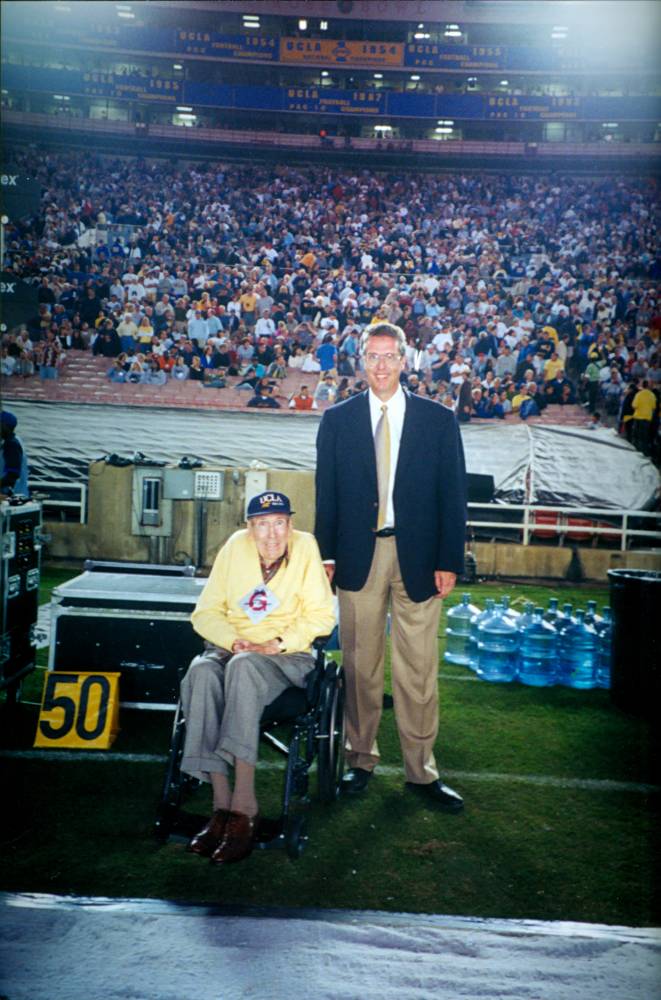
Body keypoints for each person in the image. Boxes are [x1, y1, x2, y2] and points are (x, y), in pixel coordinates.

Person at [315, 321, 467, 812]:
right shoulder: (337, 420)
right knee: (360, 665)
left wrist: (449, 559)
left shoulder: (438, 420)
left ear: (405, 360)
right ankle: (360, 760)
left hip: (420, 558)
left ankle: (421, 771)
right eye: (372, 356)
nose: (381, 366)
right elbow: (327, 494)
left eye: (389, 356)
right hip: (359, 557)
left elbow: (453, 497)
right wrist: (326, 553)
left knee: (418, 668)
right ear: (362, 361)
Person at [180, 491, 334, 864]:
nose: (272, 534)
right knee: (201, 672)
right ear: (249, 528)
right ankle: (221, 808)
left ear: (290, 525)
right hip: (231, 646)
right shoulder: (235, 548)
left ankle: (244, 807)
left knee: (244, 667)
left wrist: (277, 643)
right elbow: (204, 613)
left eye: (279, 523)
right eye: (262, 525)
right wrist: (234, 640)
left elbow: (321, 616)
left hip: (285, 655)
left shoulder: (306, 547)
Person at [0, 411, 29, 497]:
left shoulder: (11, 444)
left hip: (12, 496)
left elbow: (13, 475)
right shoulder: (16, 440)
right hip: (18, 494)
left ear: (5, 426)